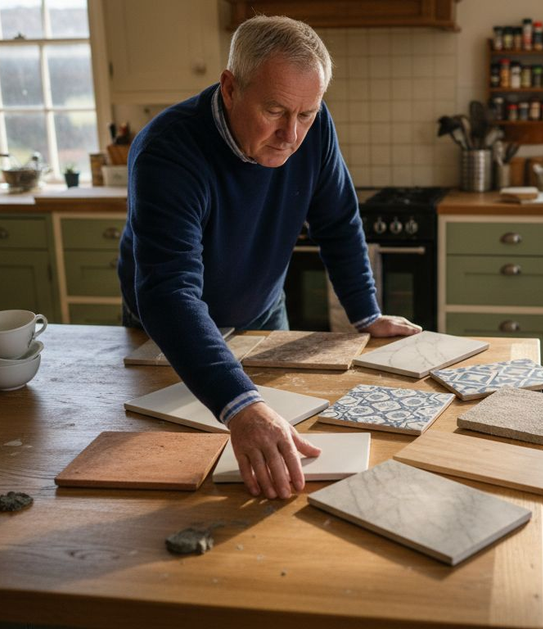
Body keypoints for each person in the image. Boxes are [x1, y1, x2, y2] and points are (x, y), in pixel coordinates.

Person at [118, 16, 420, 501]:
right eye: (276, 110)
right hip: (169, 327)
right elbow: (169, 294)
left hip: (261, 313)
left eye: (307, 114)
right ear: (231, 87)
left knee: (276, 444)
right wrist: (240, 406)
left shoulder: (314, 129)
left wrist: (366, 311)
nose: (291, 135)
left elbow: (338, 220)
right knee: (181, 473)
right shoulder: (167, 152)